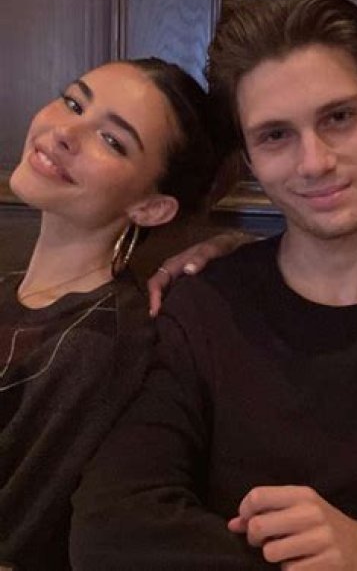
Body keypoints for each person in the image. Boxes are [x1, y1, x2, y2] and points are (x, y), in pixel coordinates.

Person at [70, 0, 357, 570]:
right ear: (250, 160)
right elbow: (112, 528)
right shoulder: (202, 310)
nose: (315, 162)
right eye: (275, 135)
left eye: (339, 118)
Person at [0, 57, 225, 571]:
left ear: (151, 207)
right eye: (73, 102)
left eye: (112, 140)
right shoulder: (14, 291)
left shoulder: (100, 340)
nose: (64, 132)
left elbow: (19, 534)